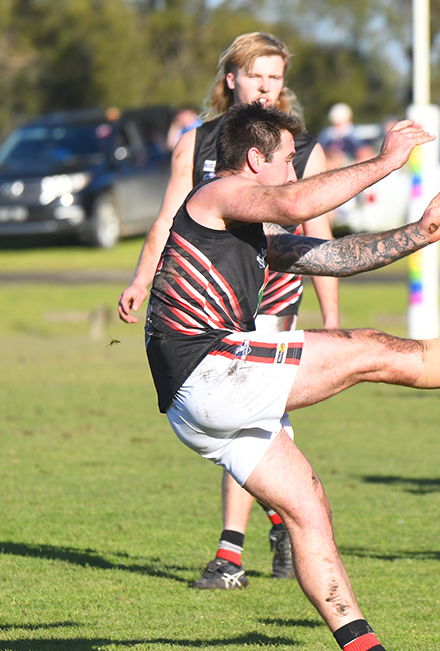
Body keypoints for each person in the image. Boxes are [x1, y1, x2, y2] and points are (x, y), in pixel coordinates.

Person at [143, 101, 440, 651]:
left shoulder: (250, 230)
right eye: (286, 160)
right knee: (374, 348)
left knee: (306, 508)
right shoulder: (218, 194)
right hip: (213, 371)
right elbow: (297, 203)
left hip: (195, 405)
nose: (294, 172)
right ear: (254, 160)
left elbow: (337, 257)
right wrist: (386, 160)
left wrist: (423, 232)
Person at [119, 32, 340, 589]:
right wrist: (142, 279)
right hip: (207, 300)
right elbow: (169, 221)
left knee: (252, 412)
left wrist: (332, 318)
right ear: (231, 80)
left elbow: (320, 235)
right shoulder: (195, 144)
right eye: (257, 75)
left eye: (276, 78)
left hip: (273, 291)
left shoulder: (299, 147)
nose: (267, 87)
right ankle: (264, 527)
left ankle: (231, 552)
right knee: (251, 415)